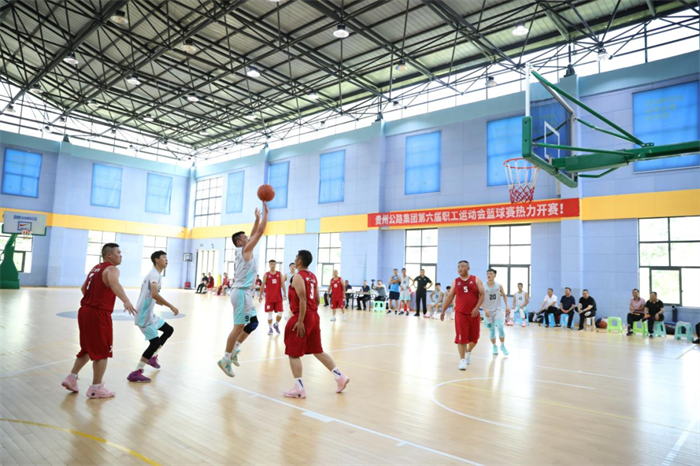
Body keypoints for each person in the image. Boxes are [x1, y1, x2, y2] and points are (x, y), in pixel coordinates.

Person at [61, 243, 137, 398]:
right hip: (98, 313)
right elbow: (115, 284)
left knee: (88, 348)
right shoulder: (112, 269)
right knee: (102, 351)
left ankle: (71, 378)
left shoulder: (95, 268)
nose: (120, 255)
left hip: (85, 311)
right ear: (109, 255)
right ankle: (96, 388)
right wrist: (126, 301)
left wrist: (92, 299)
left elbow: (83, 289)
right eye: (118, 252)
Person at [283, 250, 350, 399]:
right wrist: (311, 315)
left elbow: (303, 300)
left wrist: (301, 321)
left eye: (296, 258)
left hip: (302, 316)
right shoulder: (313, 277)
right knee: (317, 350)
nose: (294, 260)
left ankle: (299, 388)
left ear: (299, 261)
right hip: (314, 315)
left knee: (293, 353)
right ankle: (339, 377)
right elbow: (318, 300)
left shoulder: (298, 277)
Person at [217, 202, 268, 377]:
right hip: (240, 293)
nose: (249, 238)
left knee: (253, 323)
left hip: (245, 293)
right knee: (238, 327)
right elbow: (259, 233)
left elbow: (253, 234)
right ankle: (225, 359)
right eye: (246, 238)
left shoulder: (244, 249)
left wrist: (257, 218)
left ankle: (234, 351)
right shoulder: (245, 250)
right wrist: (266, 214)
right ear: (240, 242)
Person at [127, 251, 178, 383]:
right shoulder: (154, 274)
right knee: (154, 343)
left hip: (149, 314)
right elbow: (155, 293)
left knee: (168, 330)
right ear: (156, 260)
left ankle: (153, 357)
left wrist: (159, 302)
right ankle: (136, 372)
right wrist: (170, 306)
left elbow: (152, 295)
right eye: (164, 258)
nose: (166, 260)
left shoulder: (156, 274)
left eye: (167, 258)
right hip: (143, 315)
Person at [441, 261, 485, 370]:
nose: (460, 268)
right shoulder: (455, 282)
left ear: (468, 268)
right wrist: (443, 311)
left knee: (474, 339)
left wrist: (477, 307)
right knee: (461, 337)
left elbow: (482, 294)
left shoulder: (476, 279)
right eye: (458, 267)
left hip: (474, 314)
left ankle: (468, 351)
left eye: (462, 266)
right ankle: (462, 360)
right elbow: (450, 297)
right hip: (460, 314)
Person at [482, 269, 510, 356]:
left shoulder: (499, 285)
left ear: (495, 275)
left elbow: (504, 296)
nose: (489, 275)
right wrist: (485, 310)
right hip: (488, 312)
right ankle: (494, 346)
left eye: (491, 274)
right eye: (487, 274)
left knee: (500, 328)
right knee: (492, 331)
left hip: (497, 310)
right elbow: (480, 299)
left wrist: (507, 306)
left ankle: (502, 345)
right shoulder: (483, 286)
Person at [261, 259, 286, 335]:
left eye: (274, 264)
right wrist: (260, 295)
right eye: (271, 264)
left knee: (280, 313)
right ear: (269, 265)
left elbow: (282, 284)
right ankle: (270, 328)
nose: (272, 265)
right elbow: (262, 285)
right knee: (270, 314)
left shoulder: (279, 274)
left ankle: (276, 324)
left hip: (278, 297)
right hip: (269, 298)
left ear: (275, 265)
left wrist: (285, 293)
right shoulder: (266, 274)